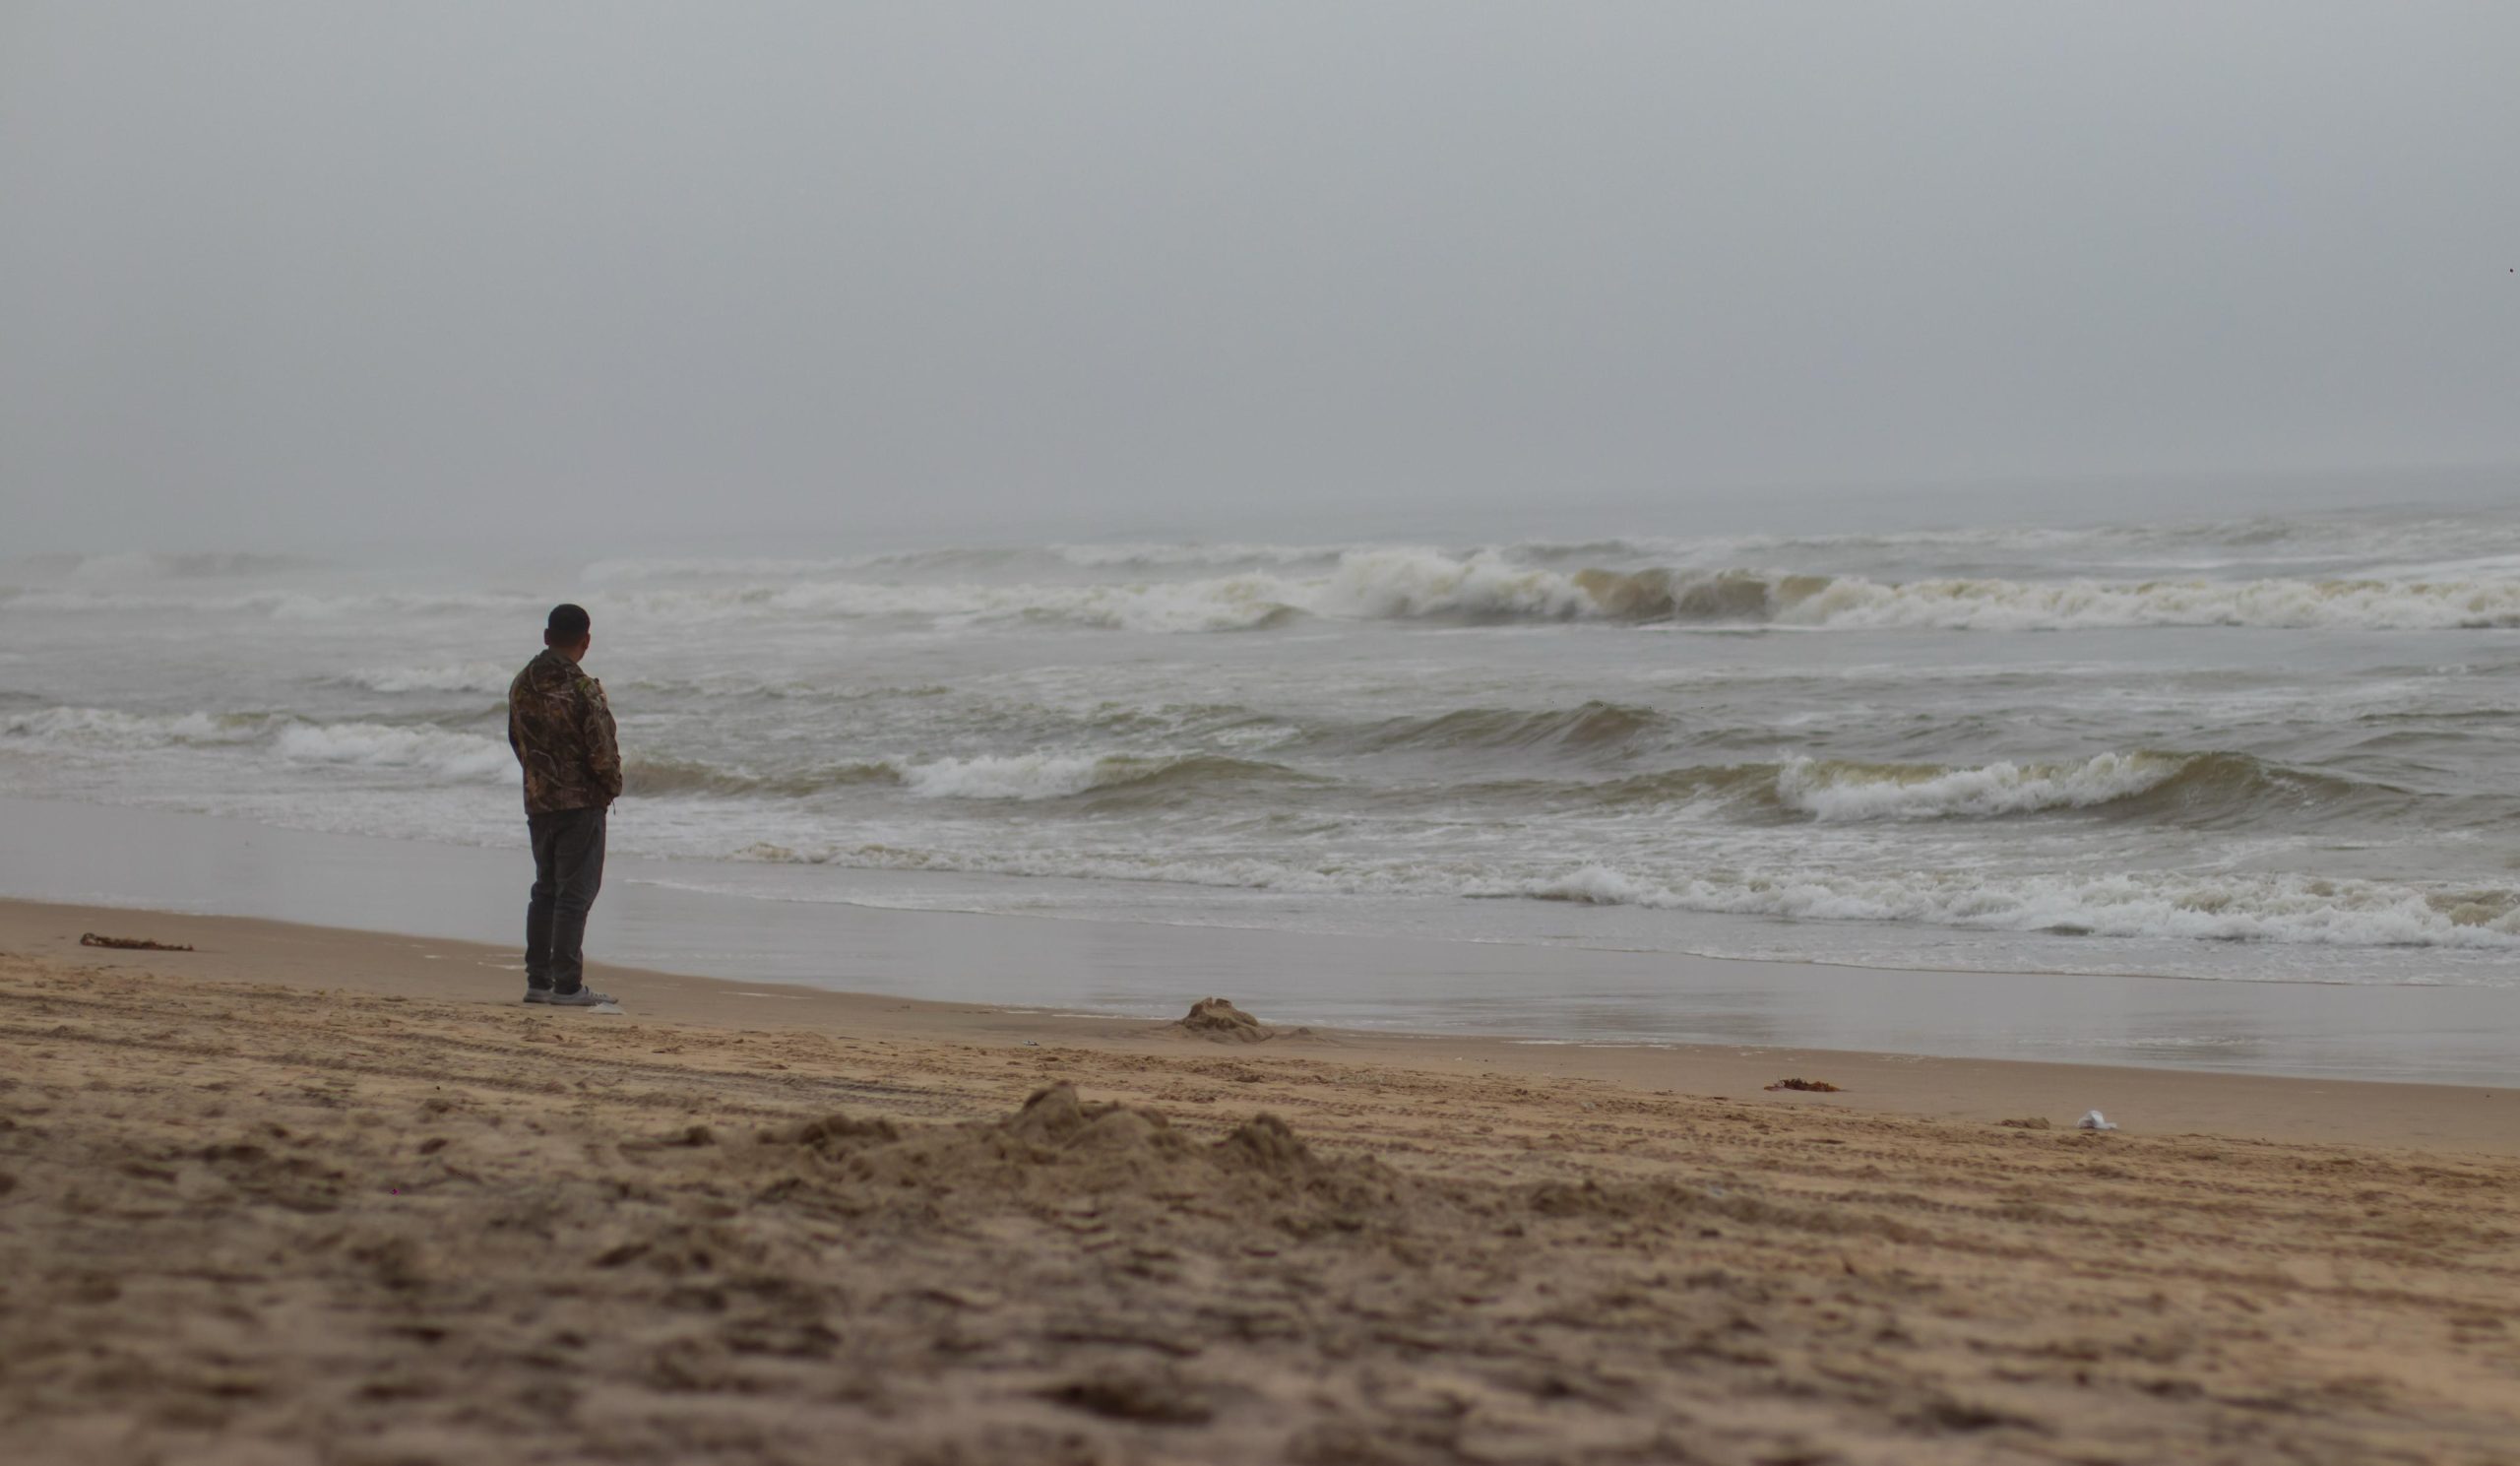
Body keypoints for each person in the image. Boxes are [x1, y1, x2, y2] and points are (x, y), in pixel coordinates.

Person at [507, 603, 623, 1007]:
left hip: (540, 799)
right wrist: (612, 787)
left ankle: (538, 981)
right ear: (586, 642)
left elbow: (516, 740)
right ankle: (568, 986)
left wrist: (538, 777)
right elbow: (602, 752)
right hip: (581, 803)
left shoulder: (522, 683)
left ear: (546, 636)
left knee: (546, 890)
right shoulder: (583, 689)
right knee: (575, 894)